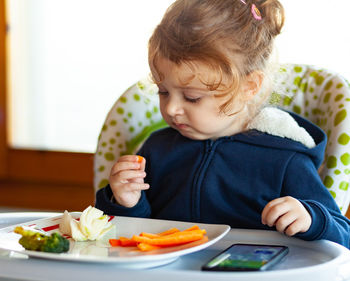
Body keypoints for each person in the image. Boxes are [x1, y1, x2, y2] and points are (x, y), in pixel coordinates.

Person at [95, 0, 350, 248]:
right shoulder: (157, 149)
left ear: (249, 86)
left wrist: (311, 218)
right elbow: (125, 236)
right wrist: (125, 202)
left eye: (192, 97)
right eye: (163, 92)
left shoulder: (285, 159)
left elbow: (343, 238)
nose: (171, 108)